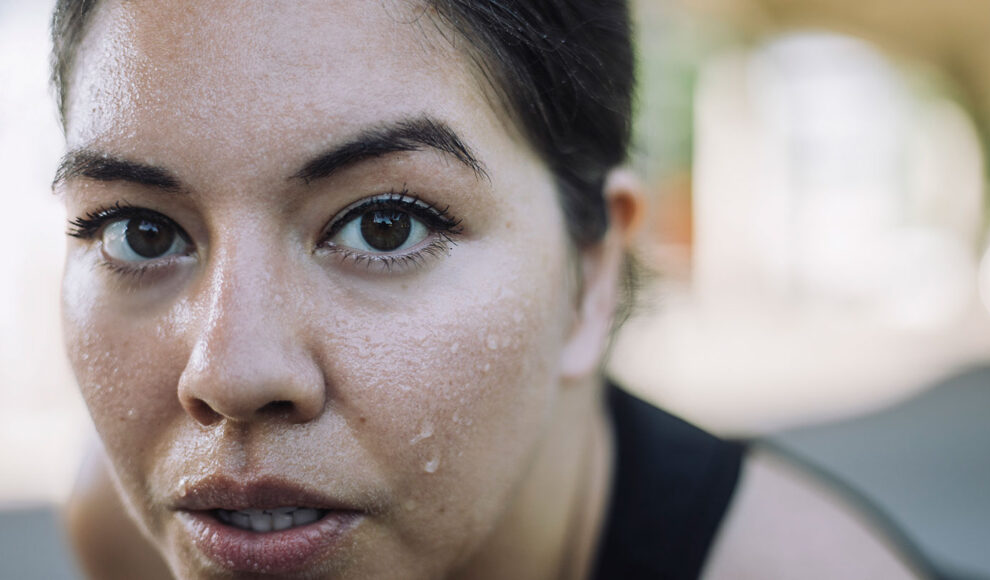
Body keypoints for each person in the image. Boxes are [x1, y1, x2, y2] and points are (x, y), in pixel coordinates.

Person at [52, 1, 933, 578]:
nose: (229, 374)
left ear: (591, 275)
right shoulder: (123, 527)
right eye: (141, 230)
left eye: (383, 225)